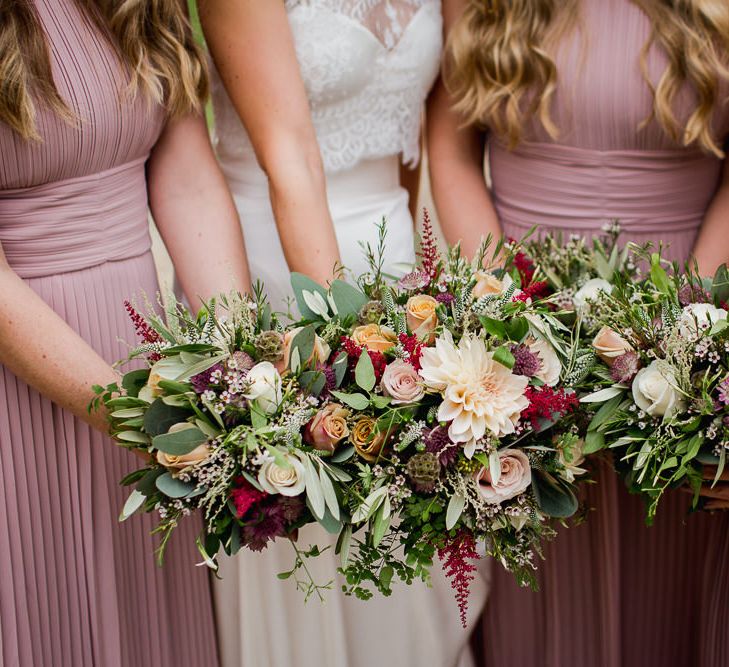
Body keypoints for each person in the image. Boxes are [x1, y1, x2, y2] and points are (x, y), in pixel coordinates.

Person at [427, 1, 729, 666]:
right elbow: (448, 147)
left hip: (685, 313)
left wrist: (691, 331)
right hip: (520, 316)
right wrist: (507, 311)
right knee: (541, 580)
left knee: (672, 562)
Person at [199, 1, 488, 665]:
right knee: (311, 529)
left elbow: (412, 147)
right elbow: (289, 156)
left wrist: (415, 311)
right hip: (281, 274)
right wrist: (355, 347)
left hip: (389, 269)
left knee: (406, 553)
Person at [0, 1, 250, 665]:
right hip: (24, 378)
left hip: (148, 358)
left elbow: (189, 178)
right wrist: (136, 417)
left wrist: (228, 366)